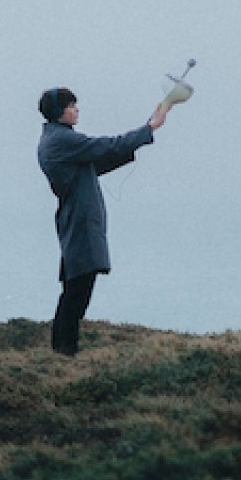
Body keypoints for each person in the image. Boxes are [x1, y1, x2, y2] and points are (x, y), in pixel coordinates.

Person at [35, 86, 173, 356]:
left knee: (77, 287)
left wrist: (141, 135)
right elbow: (106, 146)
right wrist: (149, 129)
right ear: (59, 111)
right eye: (72, 105)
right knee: (77, 289)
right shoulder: (62, 140)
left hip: (76, 217)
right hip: (79, 219)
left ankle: (63, 349)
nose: (77, 110)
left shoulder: (59, 139)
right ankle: (64, 351)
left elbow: (96, 162)